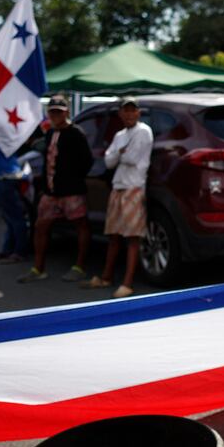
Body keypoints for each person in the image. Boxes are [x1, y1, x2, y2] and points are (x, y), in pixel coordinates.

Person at [80, 97, 153, 299]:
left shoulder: (144, 131)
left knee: (132, 237)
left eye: (132, 110)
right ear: (120, 113)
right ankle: (107, 276)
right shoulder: (120, 135)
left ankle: (127, 283)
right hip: (118, 187)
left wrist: (119, 153)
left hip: (133, 188)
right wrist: (120, 152)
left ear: (138, 112)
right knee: (113, 235)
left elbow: (130, 157)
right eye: (125, 110)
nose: (129, 114)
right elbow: (109, 161)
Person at [18, 94, 93, 284]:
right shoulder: (51, 133)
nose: (55, 115)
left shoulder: (76, 133)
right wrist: (45, 186)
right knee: (40, 226)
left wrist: (73, 179)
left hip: (72, 191)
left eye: (59, 112)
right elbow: (47, 161)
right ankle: (38, 268)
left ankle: (79, 266)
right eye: (52, 112)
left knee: (81, 226)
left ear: (66, 112)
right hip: (51, 192)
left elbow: (87, 161)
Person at [0, 133, 30, 264]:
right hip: (0, 176)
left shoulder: (0, 127)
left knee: (15, 217)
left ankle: (19, 252)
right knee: (8, 217)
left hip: (6, 176)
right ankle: (8, 250)